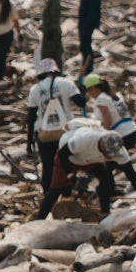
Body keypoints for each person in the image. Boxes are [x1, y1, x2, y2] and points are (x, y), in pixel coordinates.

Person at [36, 123, 130, 219]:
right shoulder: (83, 139)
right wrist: (71, 175)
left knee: (104, 180)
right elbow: (62, 155)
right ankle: (40, 219)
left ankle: (105, 212)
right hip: (69, 157)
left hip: (91, 158)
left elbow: (131, 173)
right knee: (55, 190)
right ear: (102, 146)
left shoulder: (119, 150)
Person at [26, 57, 84, 196]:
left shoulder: (35, 89)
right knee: (66, 163)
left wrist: (29, 141)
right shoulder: (66, 83)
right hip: (65, 132)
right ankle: (67, 193)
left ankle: (48, 195)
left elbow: (31, 116)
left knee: (48, 166)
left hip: (44, 134)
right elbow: (81, 103)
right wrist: (82, 90)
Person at [84, 73, 136, 199]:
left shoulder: (101, 99)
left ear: (93, 88)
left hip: (121, 135)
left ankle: (110, 191)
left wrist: (96, 138)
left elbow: (108, 122)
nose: (88, 94)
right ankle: (118, 190)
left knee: (109, 166)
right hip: (131, 131)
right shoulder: (114, 95)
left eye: (88, 90)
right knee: (112, 165)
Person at [77, 0, 102, 73]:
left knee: (86, 47)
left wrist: (87, 23)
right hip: (84, 23)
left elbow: (92, 8)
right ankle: (86, 67)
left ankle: (88, 68)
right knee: (83, 46)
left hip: (87, 24)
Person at [39, 0, 64, 68]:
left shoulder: (54, 1)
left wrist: (49, 32)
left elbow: (53, 18)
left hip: (52, 34)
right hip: (50, 33)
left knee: (52, 55)